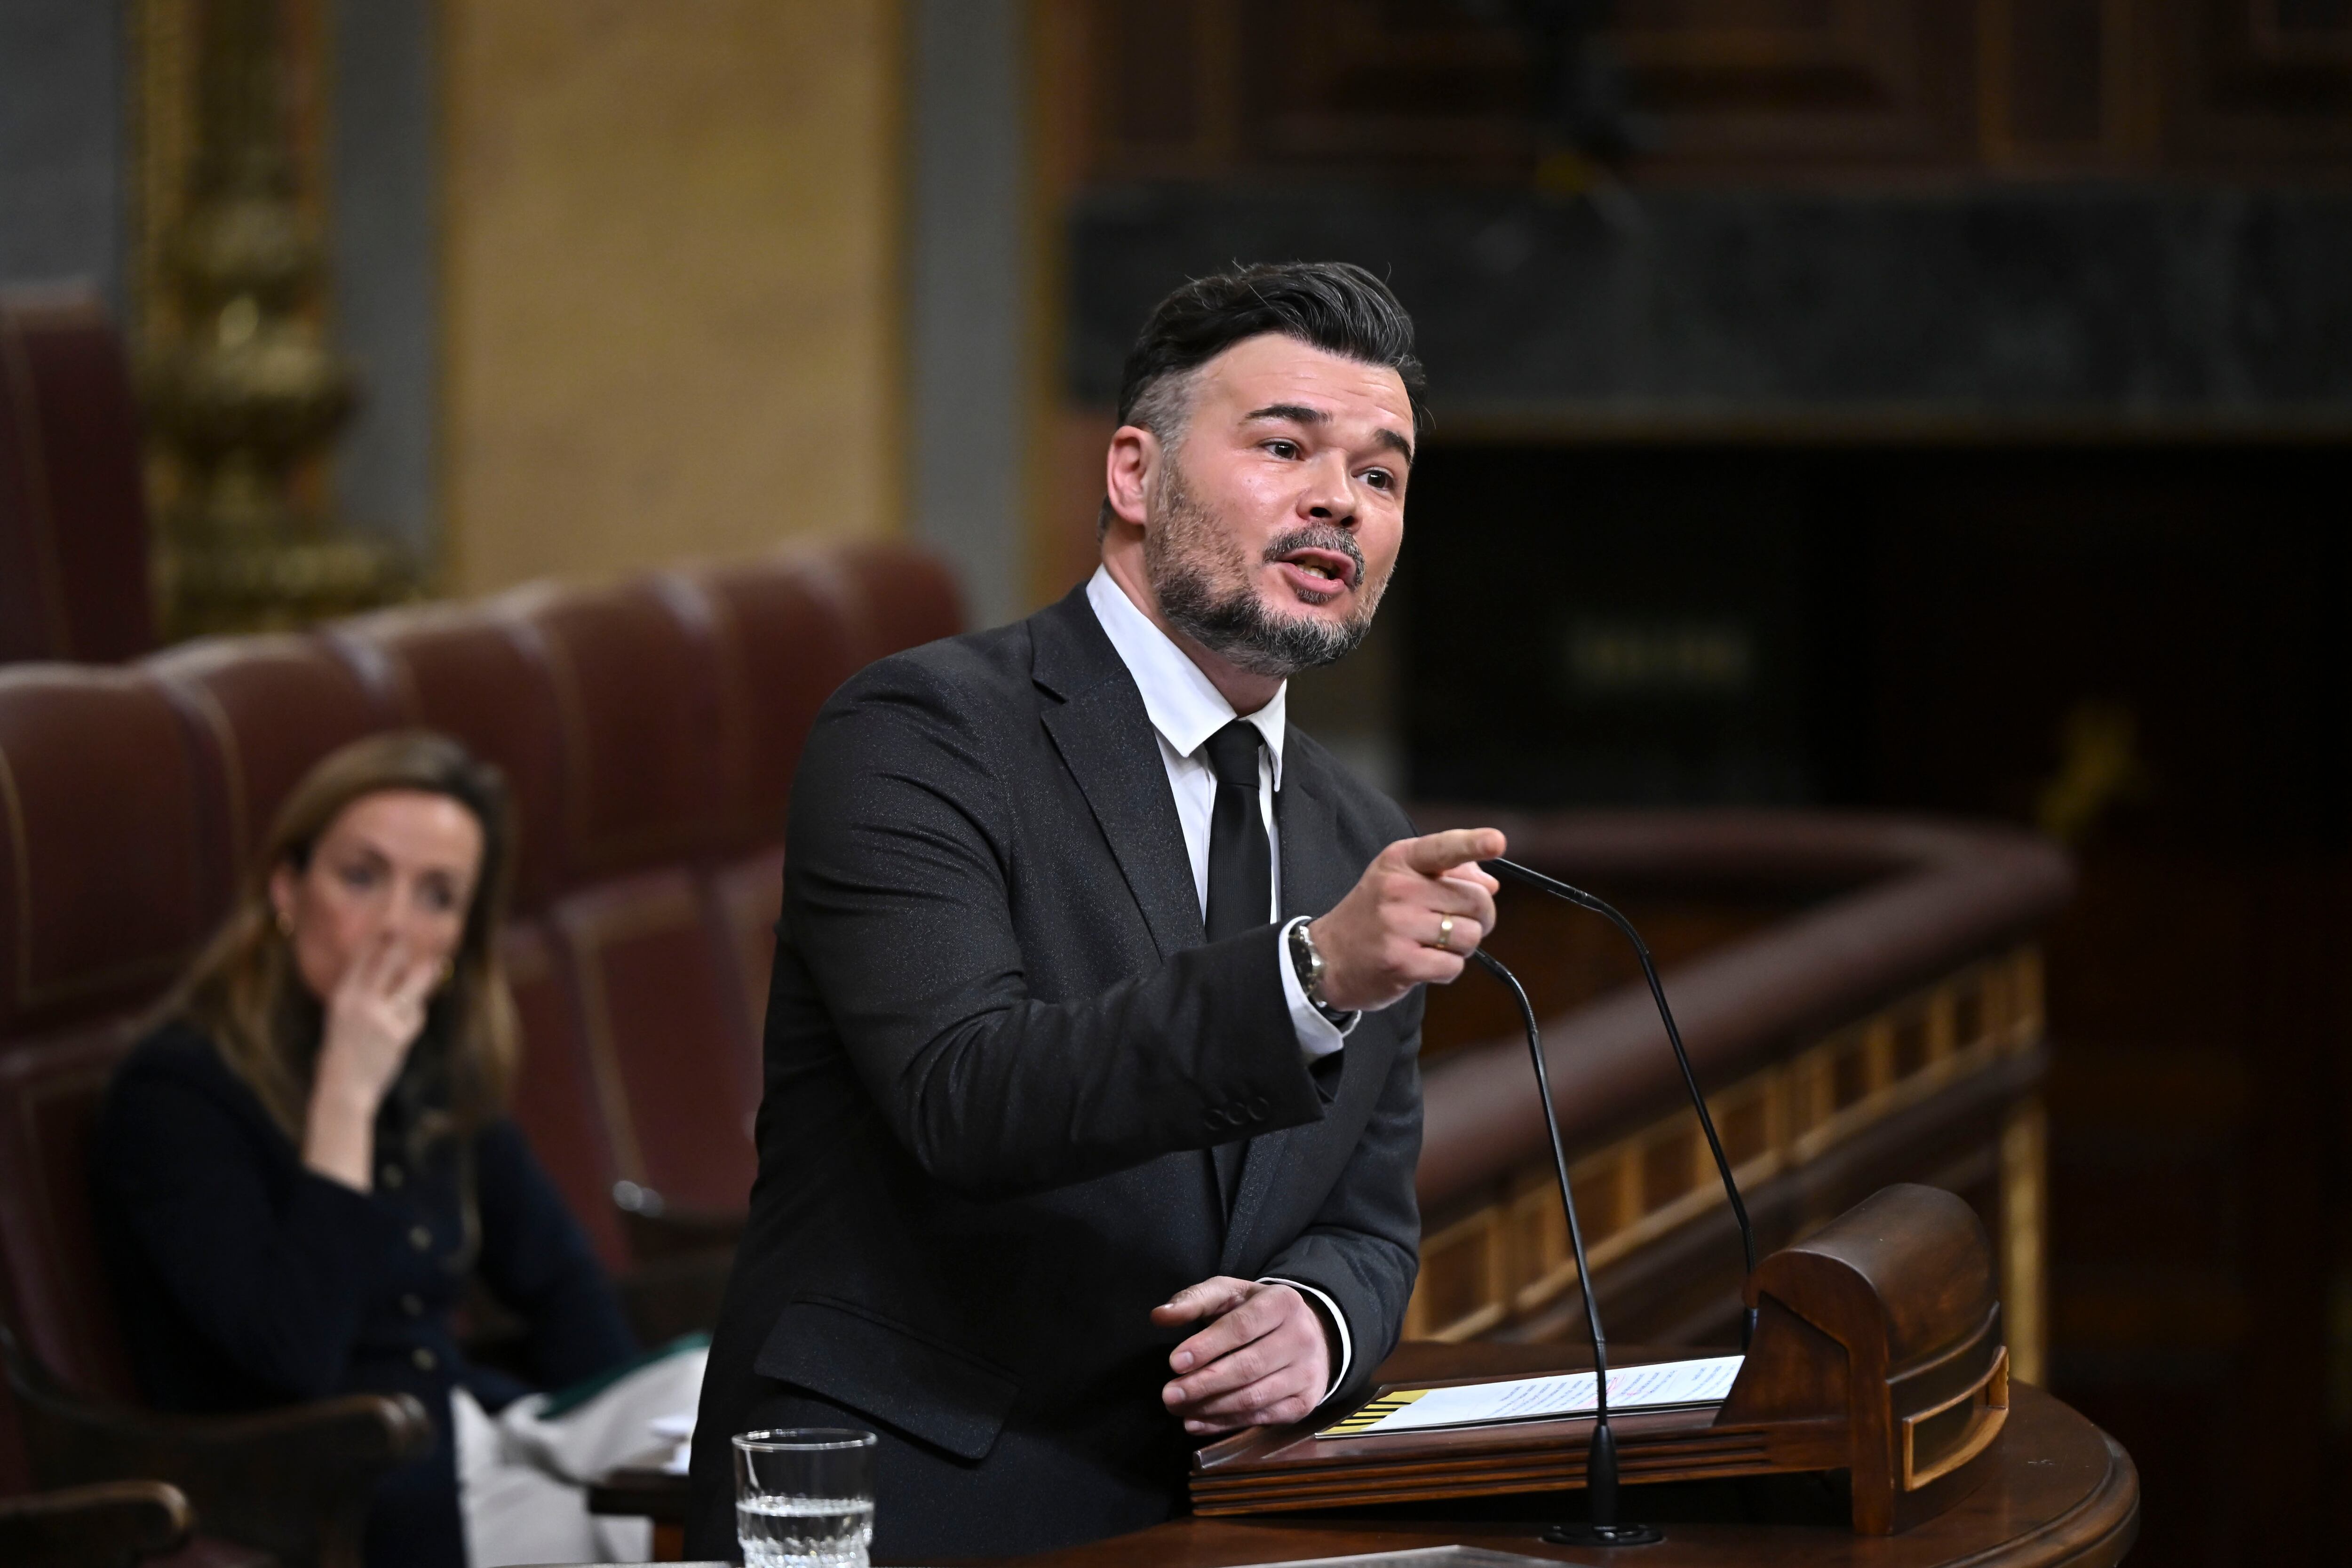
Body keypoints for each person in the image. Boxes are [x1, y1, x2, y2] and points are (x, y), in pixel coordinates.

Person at [689, 261, 1507, 1559]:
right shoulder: (922, 732)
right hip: (927, 1485)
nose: (1335, 502)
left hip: (1224, 1510)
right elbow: (965, 1091)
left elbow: (1364, 1217)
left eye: (1381, 475)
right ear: (1134, 475)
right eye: (1286, 445)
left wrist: (1318, 1317)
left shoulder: (1360, 839)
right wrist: (1309, 976)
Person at [91, 731, 703, 1568]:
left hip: (482, 1436)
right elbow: (291, 1356)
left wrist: (637, 1442)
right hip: (342, 1487)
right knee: (660, 1531)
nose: (392, 925)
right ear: (286, 888)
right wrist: (347, 1087)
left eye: (437, 896)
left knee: (722, 1400)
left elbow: (561, 1282)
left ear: (460, 939)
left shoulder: (432, 1066)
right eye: (362, 876)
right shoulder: (178, 1091)